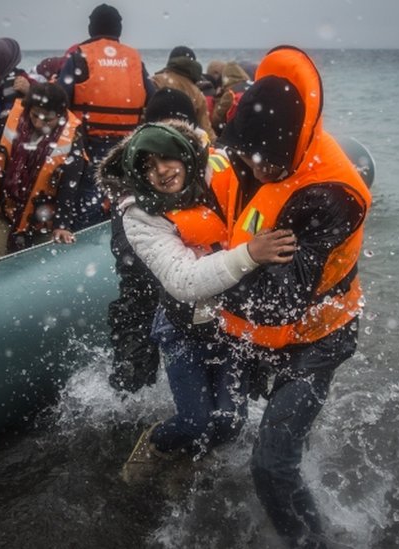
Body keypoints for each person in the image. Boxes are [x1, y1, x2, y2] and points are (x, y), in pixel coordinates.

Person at [215, 46, 372, 548]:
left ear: (282, 151)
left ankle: (314, 541)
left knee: (271, 467)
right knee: (237, 425)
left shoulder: (331, 196)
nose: (249, 167)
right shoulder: (268, 155)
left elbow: (278, 304)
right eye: (243, 155)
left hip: (317, 339)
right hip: (268, 337)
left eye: (255, 160)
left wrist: (211, 276)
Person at [95, 121, 296, 483]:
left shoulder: (221, 172)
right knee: (194, 419)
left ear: (184, 155)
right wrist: (249, 254)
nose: (161, 171)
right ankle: (156, 443)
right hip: (181, 328)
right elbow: (183, 281)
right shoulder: (139, 214)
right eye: (148, 166)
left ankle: (188, 462)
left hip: (231, 322)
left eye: (166, 159)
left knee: (230, 421)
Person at [106, 88, 205, 393]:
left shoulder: (203, 169)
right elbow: (126, 249)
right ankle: (129, 406)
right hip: (145, 285)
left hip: (193, 293)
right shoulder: (133, 179)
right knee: (132, 377)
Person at [0, 82, 92, 258]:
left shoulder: (73, 139)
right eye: (35, 115)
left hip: (43, 217)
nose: (38, 123)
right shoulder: (8, 121)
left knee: (41, 265)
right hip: (3, 208)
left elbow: (70, 186)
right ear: (28, 109)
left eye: (47, 119)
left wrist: (62, 224)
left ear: (60, 115)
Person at [58, 3, 154, 162]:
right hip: (127, 145)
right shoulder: (134, 59)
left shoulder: (79, 56)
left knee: (89, 185)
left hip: (86, 142)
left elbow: (59, 100)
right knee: (120, 186)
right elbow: (154, 99)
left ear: (91, 28)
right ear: (119, 29)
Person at [151, 46, 216, 142]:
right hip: (185, 145)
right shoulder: (197, 93)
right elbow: (206, 131)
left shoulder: (155, 81)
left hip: (155, 140)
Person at [210, 61, 251, 136]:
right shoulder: (252, 86)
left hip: (236, 134)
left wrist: (218, 97)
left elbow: (216, 120)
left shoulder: (230, 93)